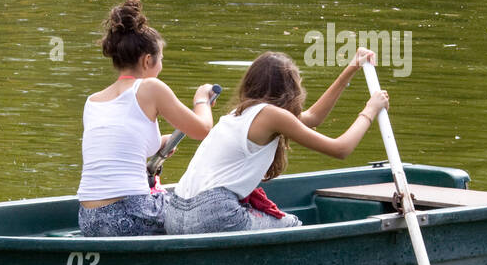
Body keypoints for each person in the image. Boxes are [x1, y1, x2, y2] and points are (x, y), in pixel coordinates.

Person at [165, 48, 388, 234]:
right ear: (290, 90)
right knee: (293, 227)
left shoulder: (240, 113)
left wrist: (350, 70)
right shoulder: (270, 115)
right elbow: (341, 149)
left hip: (174, 216)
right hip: (213, 213)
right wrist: (371, 109)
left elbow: (312, 118)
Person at [77, 0, 215, 236]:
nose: (161, 66)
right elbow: (202, 129)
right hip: (129, 214)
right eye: (160, 59)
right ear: (147, 60)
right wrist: (201, 99)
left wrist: (160, 142)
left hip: (88, 219)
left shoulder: (93, 101)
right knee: (212, 207)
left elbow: (118, 147)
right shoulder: (151, 87)